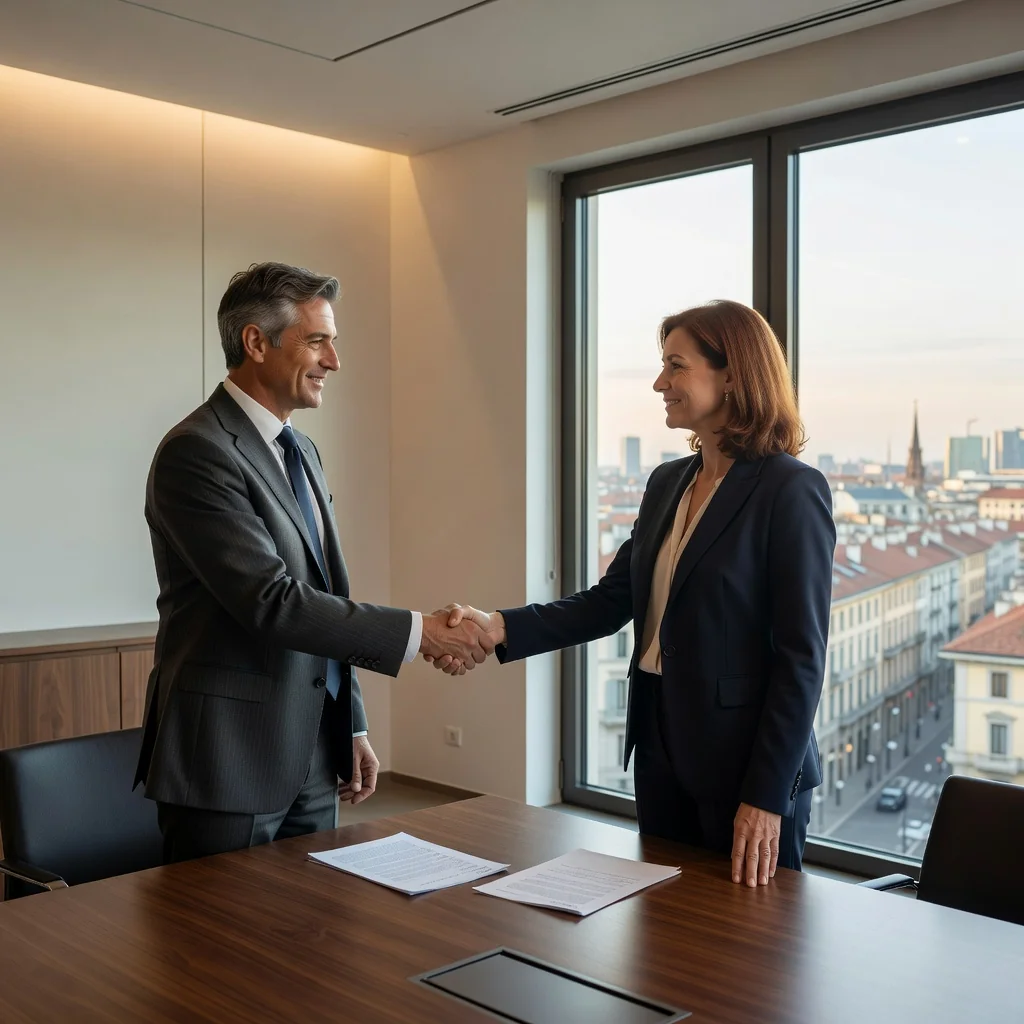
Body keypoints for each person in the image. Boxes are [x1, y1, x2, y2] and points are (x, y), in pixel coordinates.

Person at [432, 300, 836, 886]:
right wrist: (496, 627)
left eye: (676, 366)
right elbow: (610, 600)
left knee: (750, 954)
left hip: (744, 768)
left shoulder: (791, 490)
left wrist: (768, 795)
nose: (659, 383)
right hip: (660, 747)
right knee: (663, 937)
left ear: (731, 374)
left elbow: (802, 659)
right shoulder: (667, 482)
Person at [135, 262, 492, 863]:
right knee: (221, 948)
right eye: (317, 341)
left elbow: (322, 590)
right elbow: (271, 602)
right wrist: (419, 632)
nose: (335, 361)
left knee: (312, 939)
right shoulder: (197, 452)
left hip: (312, 753)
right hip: (228, 761)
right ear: (255, 342)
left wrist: (348, 723)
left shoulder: (300, 450)